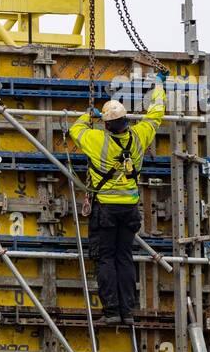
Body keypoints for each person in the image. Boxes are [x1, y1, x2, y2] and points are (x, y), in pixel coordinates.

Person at [69, 76, 167, 325]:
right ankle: (128, 312)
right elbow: (156, 113)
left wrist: (86, 116)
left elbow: (75, 131)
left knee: (105, 258)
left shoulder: (97, 140)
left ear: (106, 124)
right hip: (130, 209)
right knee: (124, 258)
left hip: (106, 210)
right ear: (126, 120)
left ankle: (112, 312)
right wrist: (158, 88)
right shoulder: (139, 136)